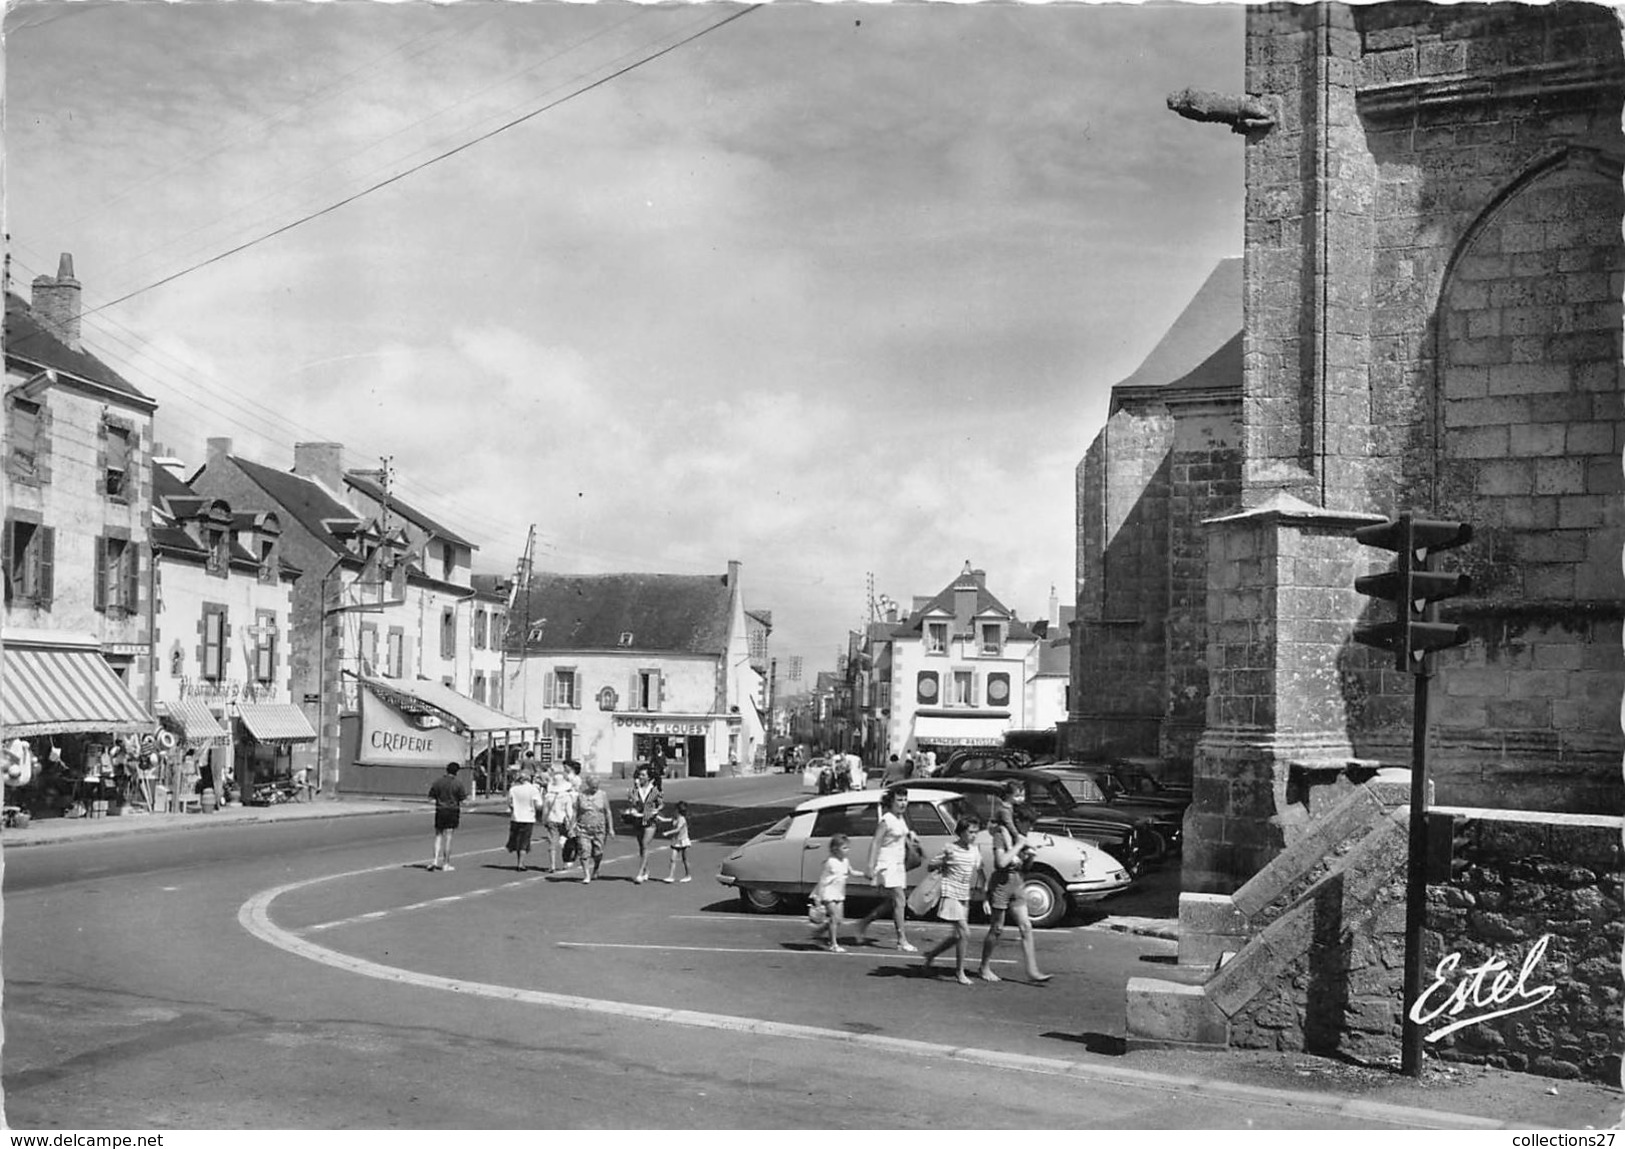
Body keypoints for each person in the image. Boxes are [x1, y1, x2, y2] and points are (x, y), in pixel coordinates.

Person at [978, 808, 1051, 984]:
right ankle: (984, 966)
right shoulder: (1001, 836)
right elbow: (1000, 862)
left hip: (1017, 884)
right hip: (1002, 886)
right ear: (1018, 821)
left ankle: (1032, 970)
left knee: (1026, 926)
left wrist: (1029, 858)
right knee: (997, 928)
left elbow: (1024, 868)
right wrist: (1018, 846)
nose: (1030, 828)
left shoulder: (1021, 837)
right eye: (1028, 824)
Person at [920, 816, 987, 985]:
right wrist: (943, 862)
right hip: (950, 892)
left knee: (957, 935)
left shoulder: (975, 850)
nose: (973, 835)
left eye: (975, 832)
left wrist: (985, 897)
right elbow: (931, 865)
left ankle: (931, 954)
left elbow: (980, 873)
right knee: (965, 932)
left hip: (964, 894)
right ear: (961, 832)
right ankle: (960, 972)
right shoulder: (950, 848)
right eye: (970, 832)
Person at [854, 788, 919, 952]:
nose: (903, 803)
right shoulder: (886, 819)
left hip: (898, 864)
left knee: (893, 902)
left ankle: (863, 923)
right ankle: (901, 940)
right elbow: (876, 842)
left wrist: (911, 836)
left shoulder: (900, 818)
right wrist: (870, 866)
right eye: (899, 800)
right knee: (900, 900)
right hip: (887, 863)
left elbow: (903, 833)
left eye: (905, 799)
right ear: (891, 801)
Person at [810, 833, 866, 952]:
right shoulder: (830, 862)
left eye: (848, 847)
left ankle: (822, 930)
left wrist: (865, 875)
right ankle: (833, 944)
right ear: (835, 849)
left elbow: (852, 872)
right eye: (844, 848)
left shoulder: (845, 860)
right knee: (835, 917)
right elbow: (822, 881)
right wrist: (818, 897)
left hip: (839, 892)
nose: (847, 850)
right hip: (828, 892)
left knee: (839, 919)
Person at [427, 762, 468, 872]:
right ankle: (446, 863)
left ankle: (435, 860)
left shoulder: (438, 782)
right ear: (457, 772)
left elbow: (431, 798)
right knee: (448, 837)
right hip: (452, 811)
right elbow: (463, 800)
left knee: (438, 836)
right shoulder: (458, 784)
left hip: (440, 810)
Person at [626, 765, 663, 883]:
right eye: (639, 775)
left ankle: (640, 873)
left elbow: (661, 804)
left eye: (643, 775)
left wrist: (656, 811)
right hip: (638, 819)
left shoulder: (654, 790)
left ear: (649, 777)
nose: (640, 777)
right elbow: (633, 803)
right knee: (641, 847)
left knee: (645, 844)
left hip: (649, 819)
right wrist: (632, 807)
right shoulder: (635, 790)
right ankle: (646, 870)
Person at [573, 775, 614, 883]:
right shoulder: (581, 795)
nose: (595, 789)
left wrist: (611, 828)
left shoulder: (602, 794)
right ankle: (586, 874)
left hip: (599, 827)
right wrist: (572, 825)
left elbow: (608, 811)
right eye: (592, 787)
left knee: (598, 852)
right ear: (588, 785)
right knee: (584, 851)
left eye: (596, 786)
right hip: (583, 827)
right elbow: (576, 811)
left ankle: (596, 868)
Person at [541, 761, 579, 872]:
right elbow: (569, 812)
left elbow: (545, 810)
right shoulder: (566, 796)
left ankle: (552, 865)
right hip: (563, 820)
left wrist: (544, 821)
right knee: (570, 839)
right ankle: (568, 861)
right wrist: (573, 823)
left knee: (552, 843)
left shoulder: (548, 796)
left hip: (551, 820)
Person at [505, 769, 543, 871]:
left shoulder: (513, 789)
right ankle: (521, 863)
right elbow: (538, 805)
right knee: (524, 841)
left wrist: (515, 809)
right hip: (528, 817)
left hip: (516, 817)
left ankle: (519, 861)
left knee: (517, 840)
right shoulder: (533, 790)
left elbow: (510, 803)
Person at [657, 800, 693, 883]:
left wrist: (667, 833)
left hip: (683, 841)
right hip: (676, 841)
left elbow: (677, 829)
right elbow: (665, 820)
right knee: (672, 859)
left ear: (678, 810)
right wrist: (657, 816)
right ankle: (671, 876)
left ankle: (688, 875)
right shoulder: (675, 818)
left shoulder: (682, 819)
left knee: (685, 859)